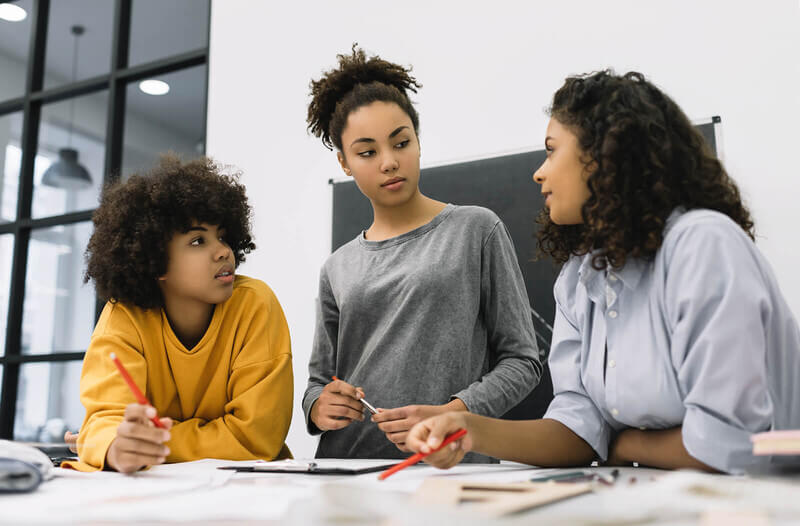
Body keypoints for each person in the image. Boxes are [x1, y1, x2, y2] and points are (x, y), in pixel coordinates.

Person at [405, 70, 800, 474]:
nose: (539, 172)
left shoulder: (702, 244)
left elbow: (727, 446)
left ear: (603, 155)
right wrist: (466, 429)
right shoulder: (580, 277)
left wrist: (624, 441)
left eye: (551, 150)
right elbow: (579, 430)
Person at [302, 46, 542, 461]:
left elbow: (523, 361)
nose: (390, 162)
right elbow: (317, 384)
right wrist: (319, 408)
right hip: (348, 470)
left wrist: (453, 416)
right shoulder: (336, 267)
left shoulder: (476, 230)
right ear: (344, 163)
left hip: (449, 467)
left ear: (417, 139)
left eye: (401, 142)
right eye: (367, 152)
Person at [64, 155, 293, 473]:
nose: (223, 250)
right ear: (156, 262)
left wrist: (148, 444)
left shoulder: (255, 304)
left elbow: (255, 438)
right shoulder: (124, 317)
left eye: (223, 236)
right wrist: (116, 446)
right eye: (198, 240)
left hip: (247, 495)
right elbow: (103, 425)